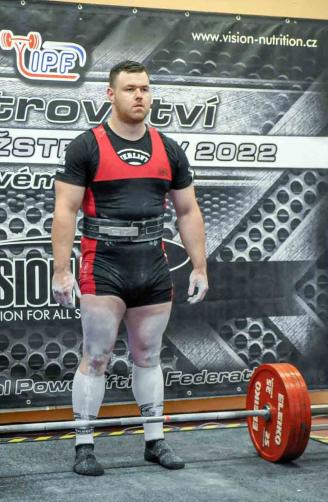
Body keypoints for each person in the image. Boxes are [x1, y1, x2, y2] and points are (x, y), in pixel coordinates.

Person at [51, 60, 208, 476]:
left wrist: (199, 267)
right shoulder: (86, 146)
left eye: (145, 88)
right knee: (96, 356)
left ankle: (154, 442)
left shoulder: (169, 149)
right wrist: (61, 271)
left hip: (151, 265)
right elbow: (65, 211)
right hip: (103, 263)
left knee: (149, 356)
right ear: (110, 94)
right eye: (129, 89)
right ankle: (84, 446)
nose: (139, 96)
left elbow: (188, 211)